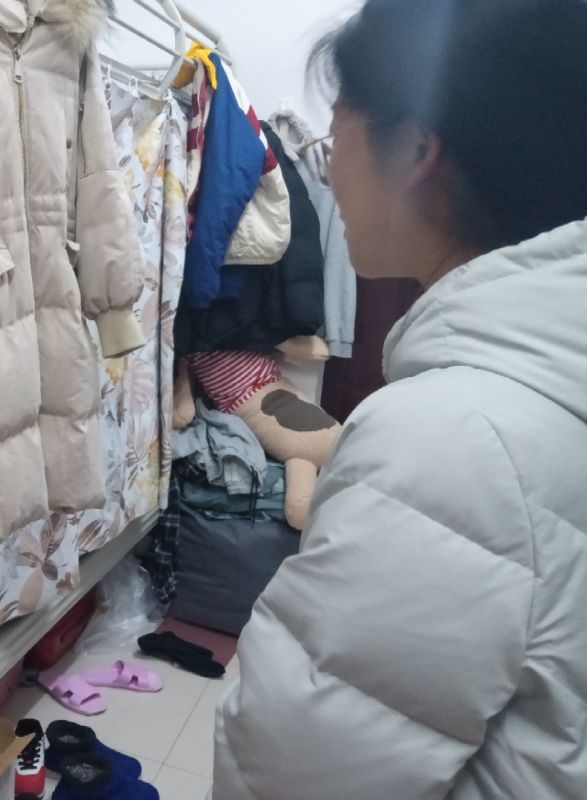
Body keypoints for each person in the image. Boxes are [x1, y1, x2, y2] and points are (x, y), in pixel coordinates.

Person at [212, 1, 587, 797]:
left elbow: (299, 774)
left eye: (333, 137)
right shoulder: (549, 383)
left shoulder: (447, 444)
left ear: (415, 149)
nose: (327, 173)